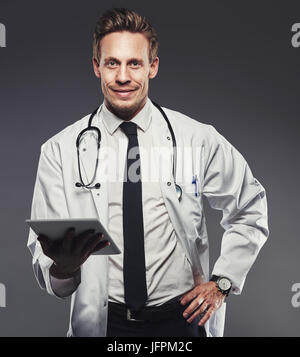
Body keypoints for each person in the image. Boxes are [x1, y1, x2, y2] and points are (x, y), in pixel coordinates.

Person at [27, 8, 269, 337]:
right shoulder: (59, 150)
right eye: (112, 63)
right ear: (96, 66)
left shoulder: (195, 138)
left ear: (152, 67)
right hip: (105, 323)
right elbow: (48, 267)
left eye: (134, 63)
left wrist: (223, 282)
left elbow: (249, 205)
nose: (123, 76)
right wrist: (64, 268)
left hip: (181, 321)